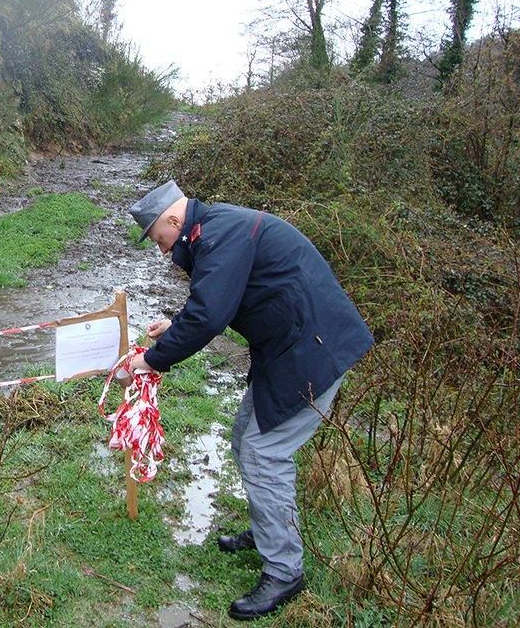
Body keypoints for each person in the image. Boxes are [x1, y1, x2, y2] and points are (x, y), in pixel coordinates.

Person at [126, 180, 374, 621]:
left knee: (263, 453)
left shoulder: (221, 234)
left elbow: (209, 315)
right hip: (290, 348)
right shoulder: (216, 229)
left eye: (160, 241)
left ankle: (284, 571)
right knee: (245, 439)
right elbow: (215, 297)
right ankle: (267, 532)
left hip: (313, 351)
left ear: (173, 220)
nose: (162, 252)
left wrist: (150, 361)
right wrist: (175, 326)